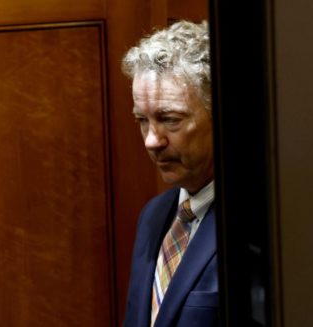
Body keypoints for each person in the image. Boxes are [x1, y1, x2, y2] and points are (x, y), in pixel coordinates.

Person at [121, 21, 218, 326]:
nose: (152, 140)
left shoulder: (263, 228)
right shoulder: (154, 215)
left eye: (169, 119)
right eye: (142, 120)